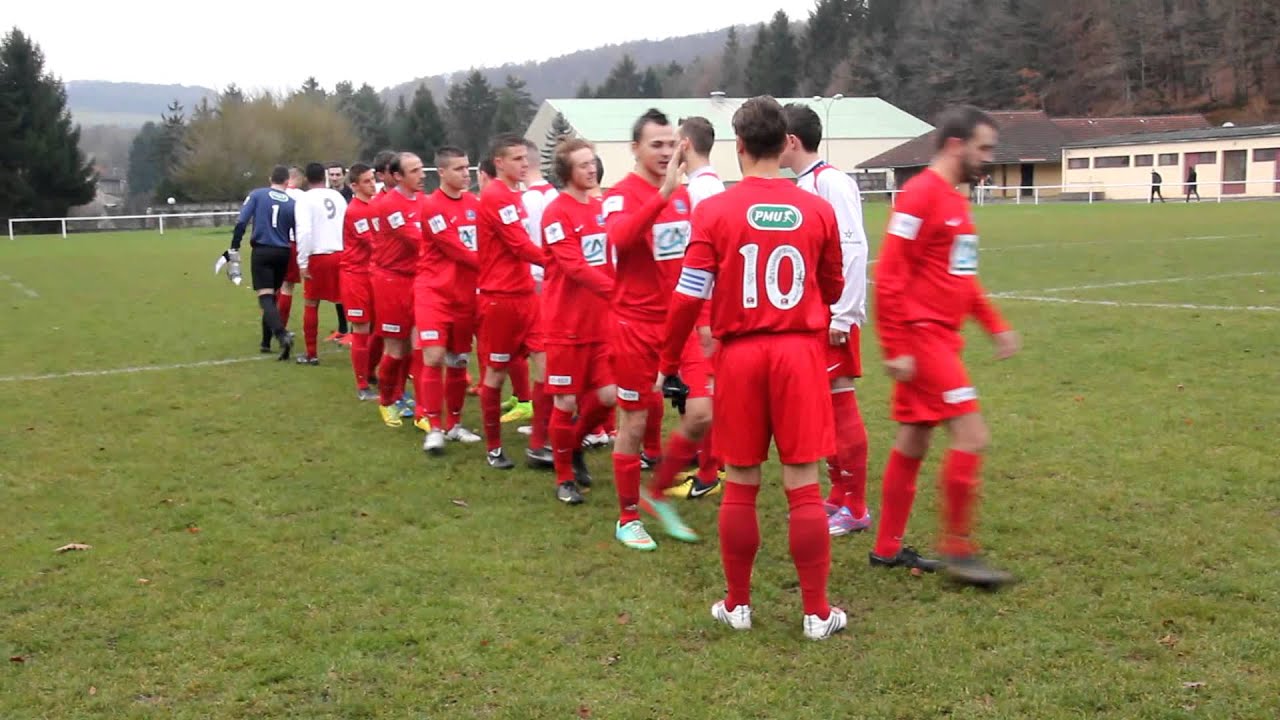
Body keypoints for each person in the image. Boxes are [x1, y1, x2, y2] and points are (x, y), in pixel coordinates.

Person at [659, 96, 847, 640]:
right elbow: (832, 286)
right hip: (799, 354)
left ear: (738, 145)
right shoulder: (817, 209)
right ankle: (816, 613)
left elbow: (688, 294)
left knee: (741, 482)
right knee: (804, 484)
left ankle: (737, 604)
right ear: (784, 140)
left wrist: (670, 360)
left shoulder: (713, 210)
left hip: (739, 356)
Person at [871, 104, 1020, 588]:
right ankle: (958, 551)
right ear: (956, 145)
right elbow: (889, 275)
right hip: (922, 339)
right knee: (972, 436)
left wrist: (994, 326)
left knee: (914, 440)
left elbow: (964, 277)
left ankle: (887, 547)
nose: (989, 158)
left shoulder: (956, 201)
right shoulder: (918, 196)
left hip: (940, 340)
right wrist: (896, 345)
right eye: (984, 149)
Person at [601, 108, 700, 551]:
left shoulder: (684, 195)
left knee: (703, 413)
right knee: (634, 421)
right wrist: (660, 195)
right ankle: (627, 517)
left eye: (670, 143)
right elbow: (618, 240)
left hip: (682, 323)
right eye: (655, 144)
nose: (665, 151)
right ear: (635, 148)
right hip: (635, 325)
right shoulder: (621, 194)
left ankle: (657, 494)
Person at [781, 102, 872, 537]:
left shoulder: (831, 182)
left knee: (840, 399)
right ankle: (838, 495)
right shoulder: (805, 184)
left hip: (833, 315)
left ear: (791, 142)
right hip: (813, 316)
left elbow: (854, 248)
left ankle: (855, 506)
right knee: (825, 403)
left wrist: (844, 312)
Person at [540, 138, 617, 505]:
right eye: (583, 164)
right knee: (566, 402)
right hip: (564, 325)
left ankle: (572, 444)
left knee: (609, 395)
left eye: (593, 162)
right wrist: (618, 292)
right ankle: (564, 478)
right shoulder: (557, 212)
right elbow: (574, 266)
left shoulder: (601, 208)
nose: (591, 168)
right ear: (566, 171)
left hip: (601, 323)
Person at [659, 115, 725, 501]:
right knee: (698, 391)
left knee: (705, 392)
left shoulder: (703, 193)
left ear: (685, 144)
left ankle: (710, 470)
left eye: (673, 143)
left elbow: (710, 262)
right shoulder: (699, 188)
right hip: (700, 305)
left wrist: (704, 318)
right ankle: (708, 462)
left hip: (705, 307)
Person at [476, 134, 550, 470]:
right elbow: (520, 245)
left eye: (526, 158)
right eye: (517, 159)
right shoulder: (495, 196)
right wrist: (560, 262)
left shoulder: (514, 196)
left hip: (525, 297)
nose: (524, 164)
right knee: (495, 374)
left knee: (547, 367)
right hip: (500, 300)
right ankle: (493, 447)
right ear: (499, 163)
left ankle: (539, 443)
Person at [412, 145, 484, 451]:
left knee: (458, 359)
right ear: (441, 172)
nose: (465, 174)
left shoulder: (473, 204)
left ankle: (454, 424)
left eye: (467, 167)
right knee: (434, 356)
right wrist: (497, 268)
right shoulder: (431, 206)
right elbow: (457, 250)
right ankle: (434, 426)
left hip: (464, 294)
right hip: (433, 293)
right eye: (458, 168)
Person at [370, 152, 426, 427]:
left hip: (417, 278)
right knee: (395, 347)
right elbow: (417, 239)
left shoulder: (423, 200)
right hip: (391, 281)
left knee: (414, 345)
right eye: (414, 170)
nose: (422, 174)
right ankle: (386, 401)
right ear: (397, 177)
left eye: (421, 169)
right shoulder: (390, 205)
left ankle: (403, 395)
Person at [228, 165, 297, 360]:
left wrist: (235, 245)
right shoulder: (292, 202)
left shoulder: (257, 195)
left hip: (263, 250)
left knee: (265, 298)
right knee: (272, 297)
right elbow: (297, 231)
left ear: (270, 179)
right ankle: (265, 342)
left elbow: (242, 221)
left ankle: (281, 334)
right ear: (287, 182)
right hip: (284, 252)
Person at [294, 162, 348, 365]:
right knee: (348, 301)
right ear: (324, 177)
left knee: (311, 303)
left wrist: (302, 261)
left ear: (307, 179)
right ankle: (366, 349)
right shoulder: (337, 196)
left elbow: (304, 232)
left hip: (319, 257)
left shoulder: (305, 199)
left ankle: (311, 353)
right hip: (341, 253)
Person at [339, 163, 383, 401]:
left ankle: (370, 371)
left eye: (372, 179)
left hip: (373, 274)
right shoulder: (355, 210)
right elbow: (373, 243)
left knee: (381, 327)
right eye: (366, 181)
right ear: (354, 186)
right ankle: (362, 385)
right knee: (362, 329)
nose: (372, 184)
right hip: (355, 276)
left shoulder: (376, 205)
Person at [325, 161, 353, 343]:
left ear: (344, 175)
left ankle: (354, 330)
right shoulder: (325, 195)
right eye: (332, 175)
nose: (334, 178)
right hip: (333, 246)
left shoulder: (351, 194)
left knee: (350, 289)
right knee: (336, 290)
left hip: (350, 247)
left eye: (337, 174)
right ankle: (343, 328)